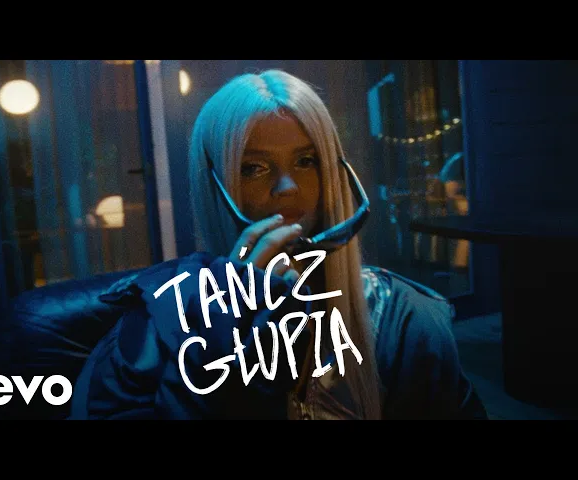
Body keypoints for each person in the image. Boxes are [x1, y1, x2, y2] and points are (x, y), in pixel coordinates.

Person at [69, 69, 487, 420]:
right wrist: (227, 352)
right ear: (216, 187)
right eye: (254, 168)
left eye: (306, 161)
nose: (287, 187)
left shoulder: (403, 318)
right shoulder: (154, 327)